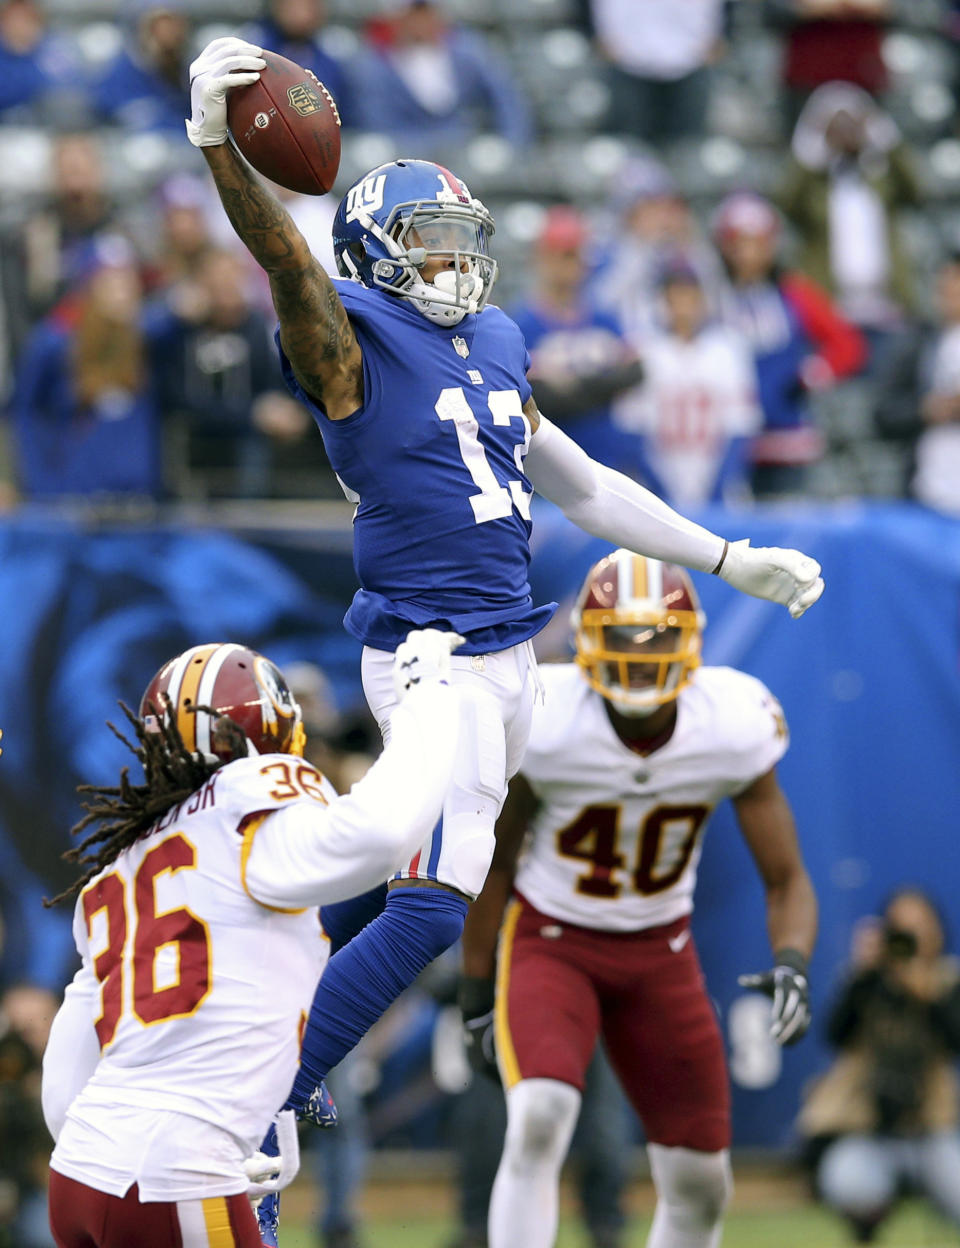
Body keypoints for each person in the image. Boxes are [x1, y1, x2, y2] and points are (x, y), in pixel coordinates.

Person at [184, 34, 824, 1240]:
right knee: (405, 874)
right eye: (428, 244)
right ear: (376, 254)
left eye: (460, 245)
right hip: (427, 652)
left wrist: (728, 557)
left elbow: (583, 483)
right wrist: (225, 154)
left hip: (505, 656)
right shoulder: (352, 338)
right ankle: (258, 1055)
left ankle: (267, 1040)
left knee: (428, 909)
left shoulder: (495, 343)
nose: (450, 265)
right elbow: (283, 264)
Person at [40, 630, 464, 1248]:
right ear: (276, 735)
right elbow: (381, 833)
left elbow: (66, 1075)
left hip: (78, 1176)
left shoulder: (124, 861)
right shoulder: (249, 814)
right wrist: (427, 695)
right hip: (175, 1176)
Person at [460, 551, 819, 1248]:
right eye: (622, 637)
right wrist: (477, 988)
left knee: (700, 1181)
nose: (640, 658)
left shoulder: (732, 721)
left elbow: (787, 878)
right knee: (538, 1116)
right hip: (553, 941)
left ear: (693, 642)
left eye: (656, 638)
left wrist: (794, 962)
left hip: (662, 951)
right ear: (587, 639)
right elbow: (497, 866)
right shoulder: (547, 718)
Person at [799, 890, 960, 1243]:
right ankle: (867, 1225)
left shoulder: (948, 982)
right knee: (851, 1184)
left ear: (937, 933)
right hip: (867, 1133)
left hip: (933, 1133)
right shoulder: (865, 981)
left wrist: (927, 994)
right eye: (901, 931)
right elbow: (835, 1035)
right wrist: (862, 976)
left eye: (920, 929)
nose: (910, 940)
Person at [713, 190, 866, 498]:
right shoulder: (712, 296)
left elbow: (849, 346)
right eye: (739, 245)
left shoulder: (794, 293)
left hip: (786, 438)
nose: (748, 255)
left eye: (757, 245)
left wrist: (811, 375)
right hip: (725, 441)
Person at [610, 260, 763, 506]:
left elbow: (741, 427)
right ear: (663, 300)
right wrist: (657, 487)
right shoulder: (643, 350)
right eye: (675, 295)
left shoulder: (728, 349)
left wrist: (718, 487)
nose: (683, 305)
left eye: (690, 295)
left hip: (716, 482)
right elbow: (631, 428)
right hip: (660, 480)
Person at [874, 248, 960, 514]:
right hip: (930, 493)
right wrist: (926, 410)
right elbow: (884, 415)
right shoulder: (917, 345)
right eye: (944, 290)